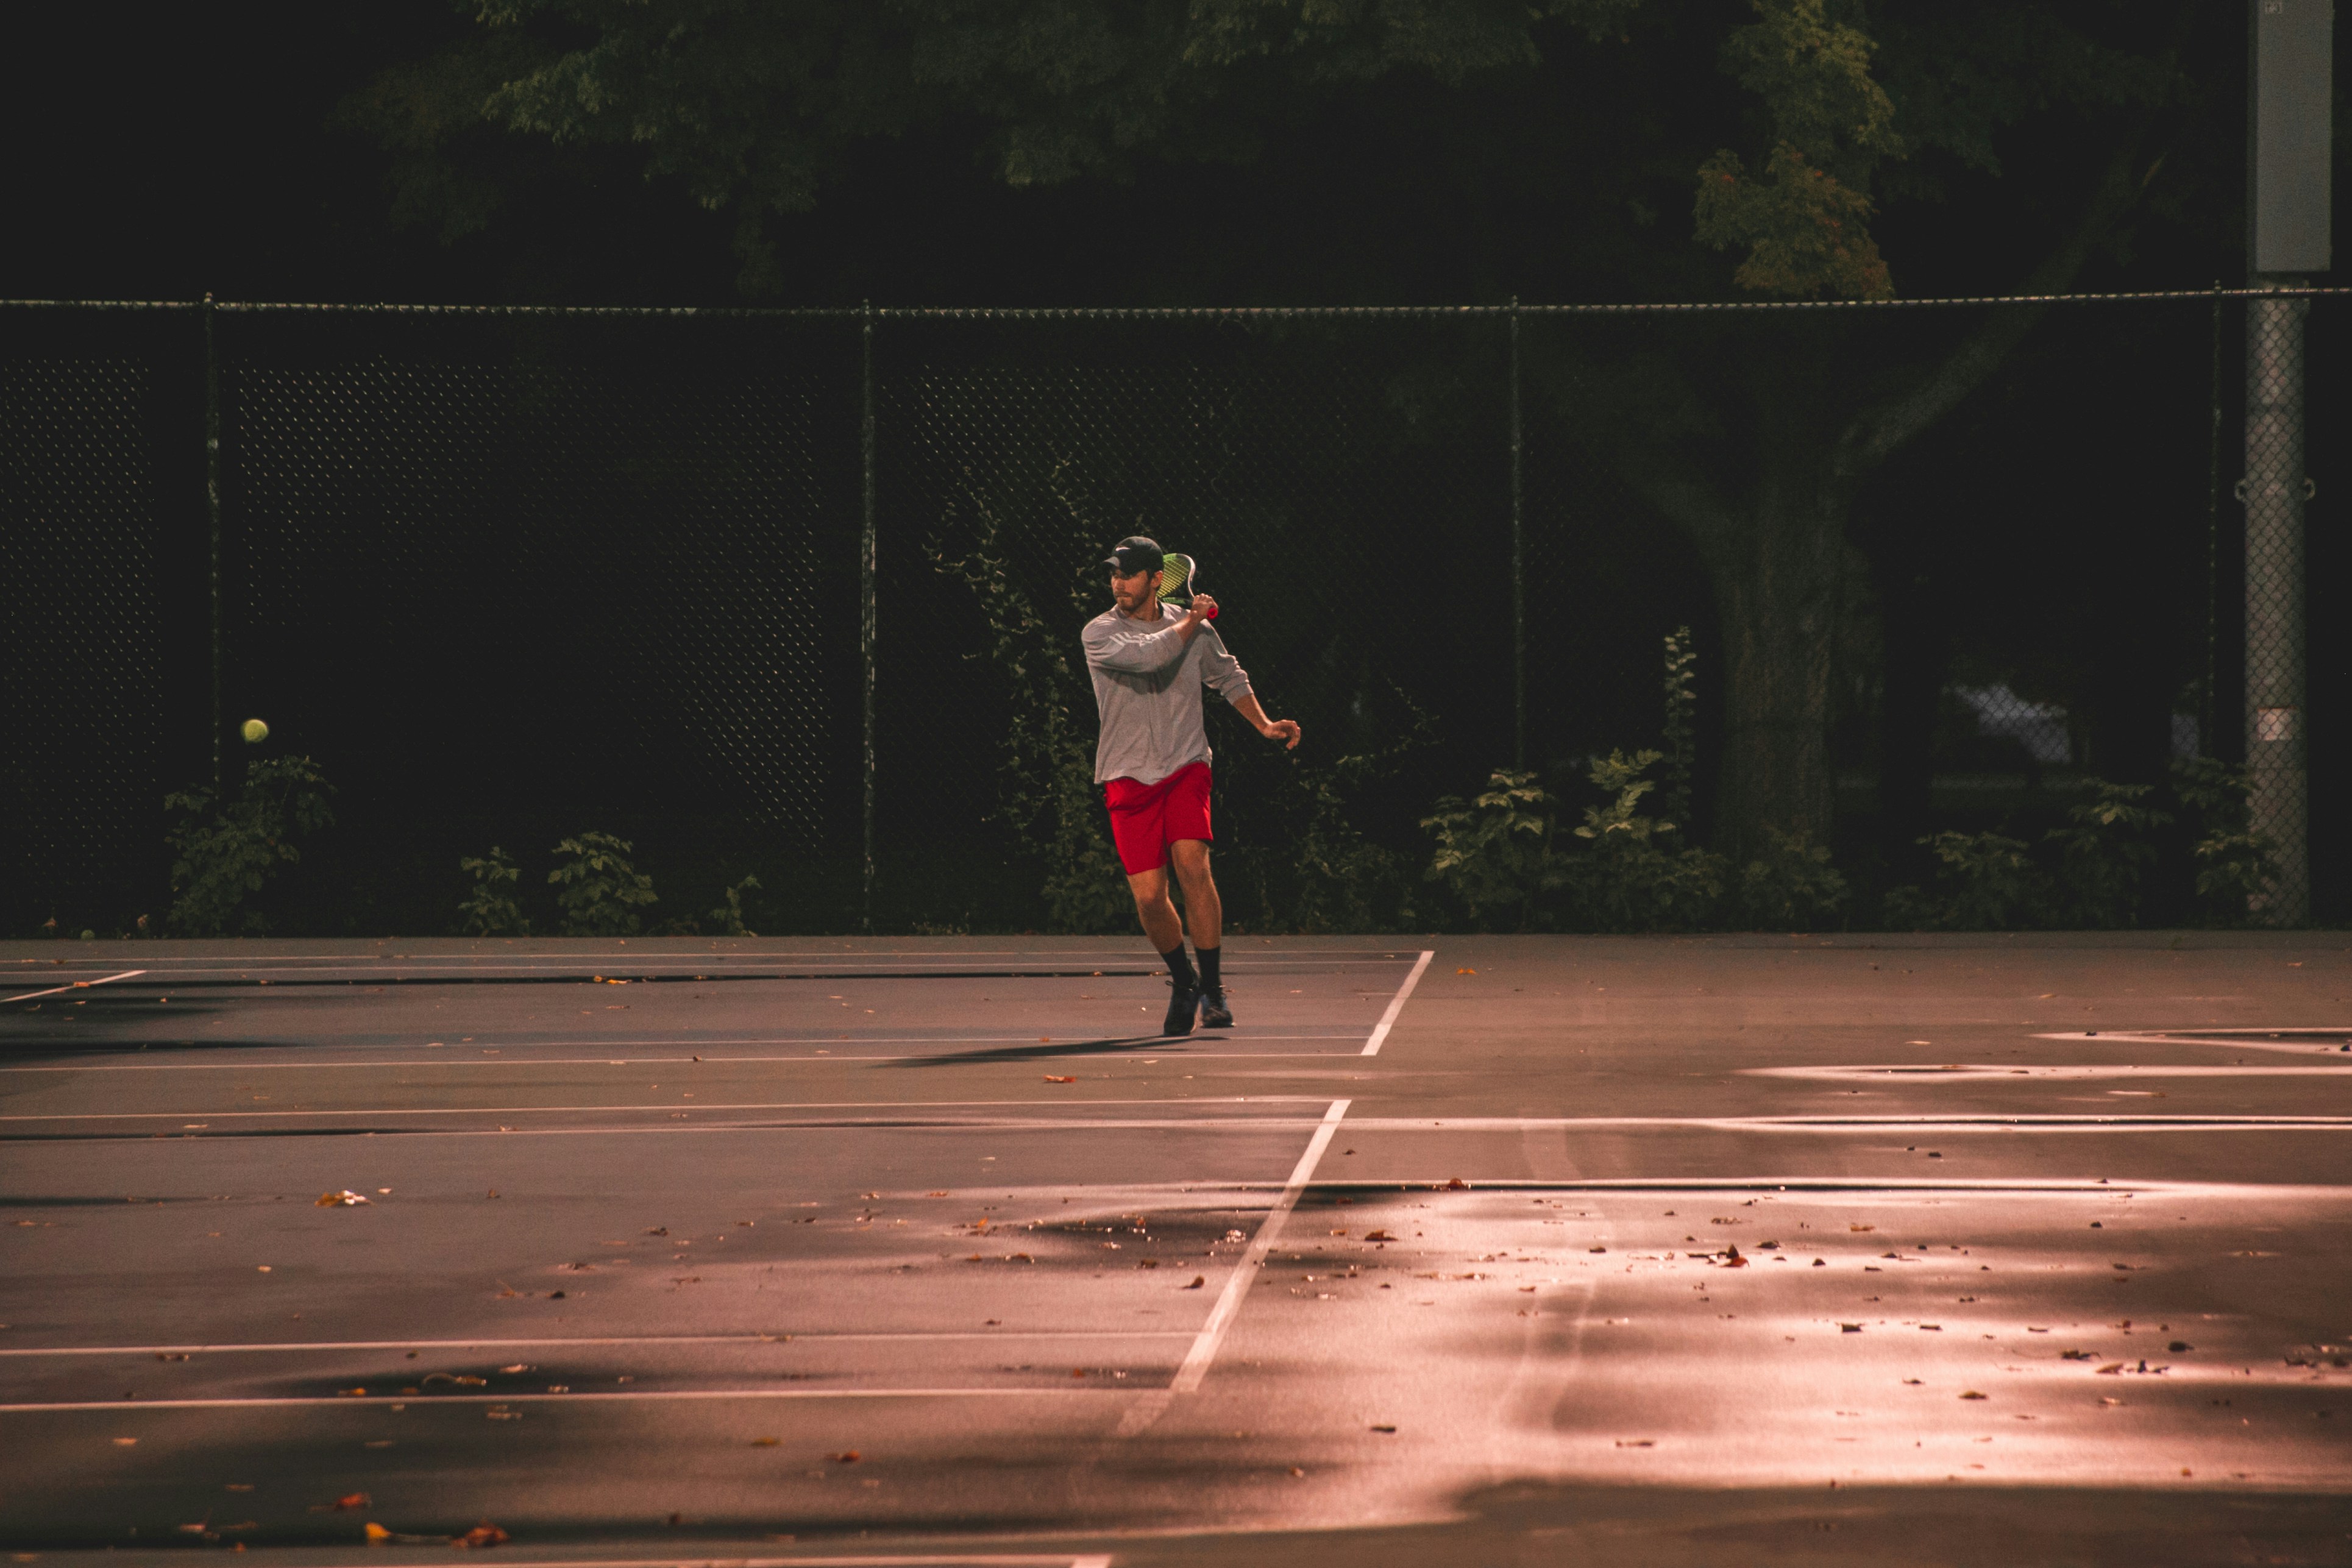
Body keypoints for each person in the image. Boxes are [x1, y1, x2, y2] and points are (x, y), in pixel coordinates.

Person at [1082, 535, 1300, 1036]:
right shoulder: (1098, 632)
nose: (1117, 584)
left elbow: (1228, 677)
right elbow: (1149, 658)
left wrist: (1264, 725)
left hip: (1184, 765)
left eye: (1128, 574)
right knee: (1149, 899)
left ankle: (1215, 990)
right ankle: (1185, 981)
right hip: (1126, 774)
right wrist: (1190, 620)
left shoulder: (1192, 626)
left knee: (1192, 865)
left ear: (1157, 579)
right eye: (1113, 575)